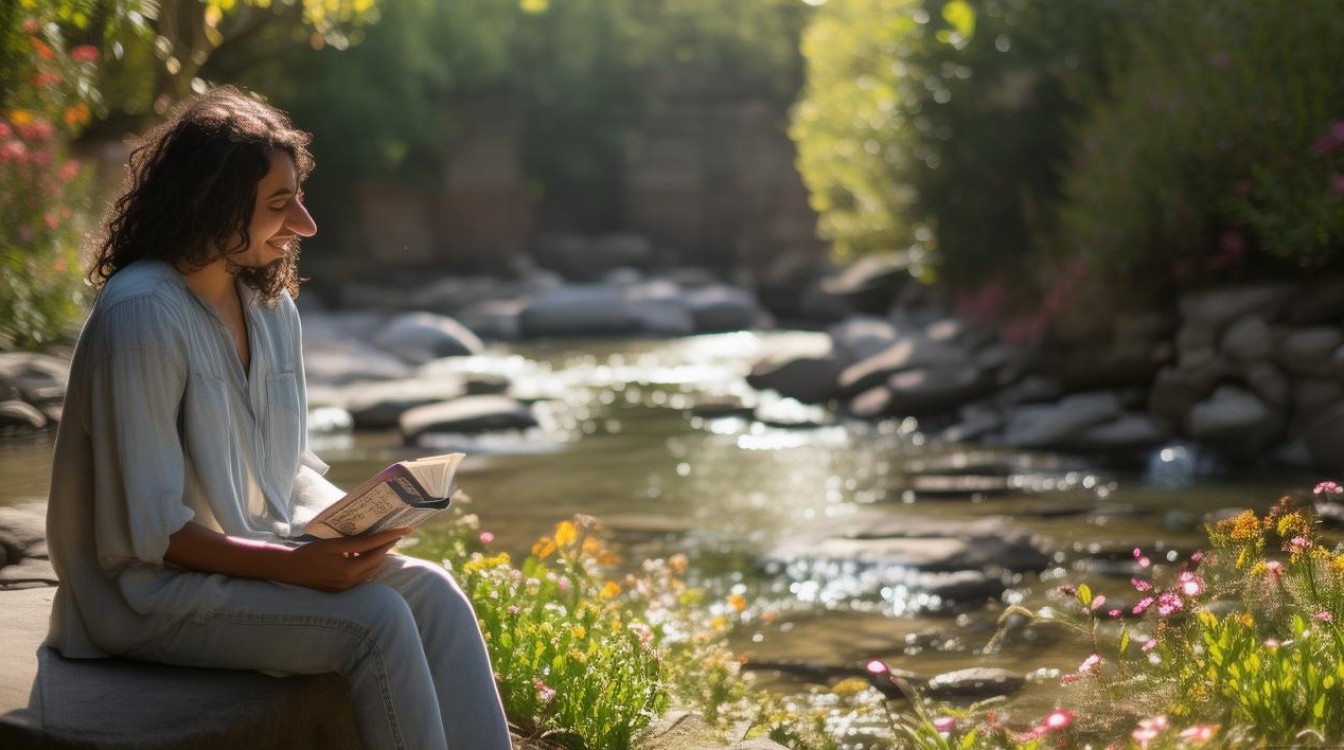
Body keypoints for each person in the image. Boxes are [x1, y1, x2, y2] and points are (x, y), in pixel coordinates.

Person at [44, 86, 513, 750]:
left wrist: (354, 521)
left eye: (298, 196)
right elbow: (153, 533)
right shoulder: (142, 314)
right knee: (375, 619)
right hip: (149, 599)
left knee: (435, 593)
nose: (305, 224)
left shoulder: (268, 306)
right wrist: (298, 568)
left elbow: (284, 468)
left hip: (254, 562)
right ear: (210, 205)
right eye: (277, 204)